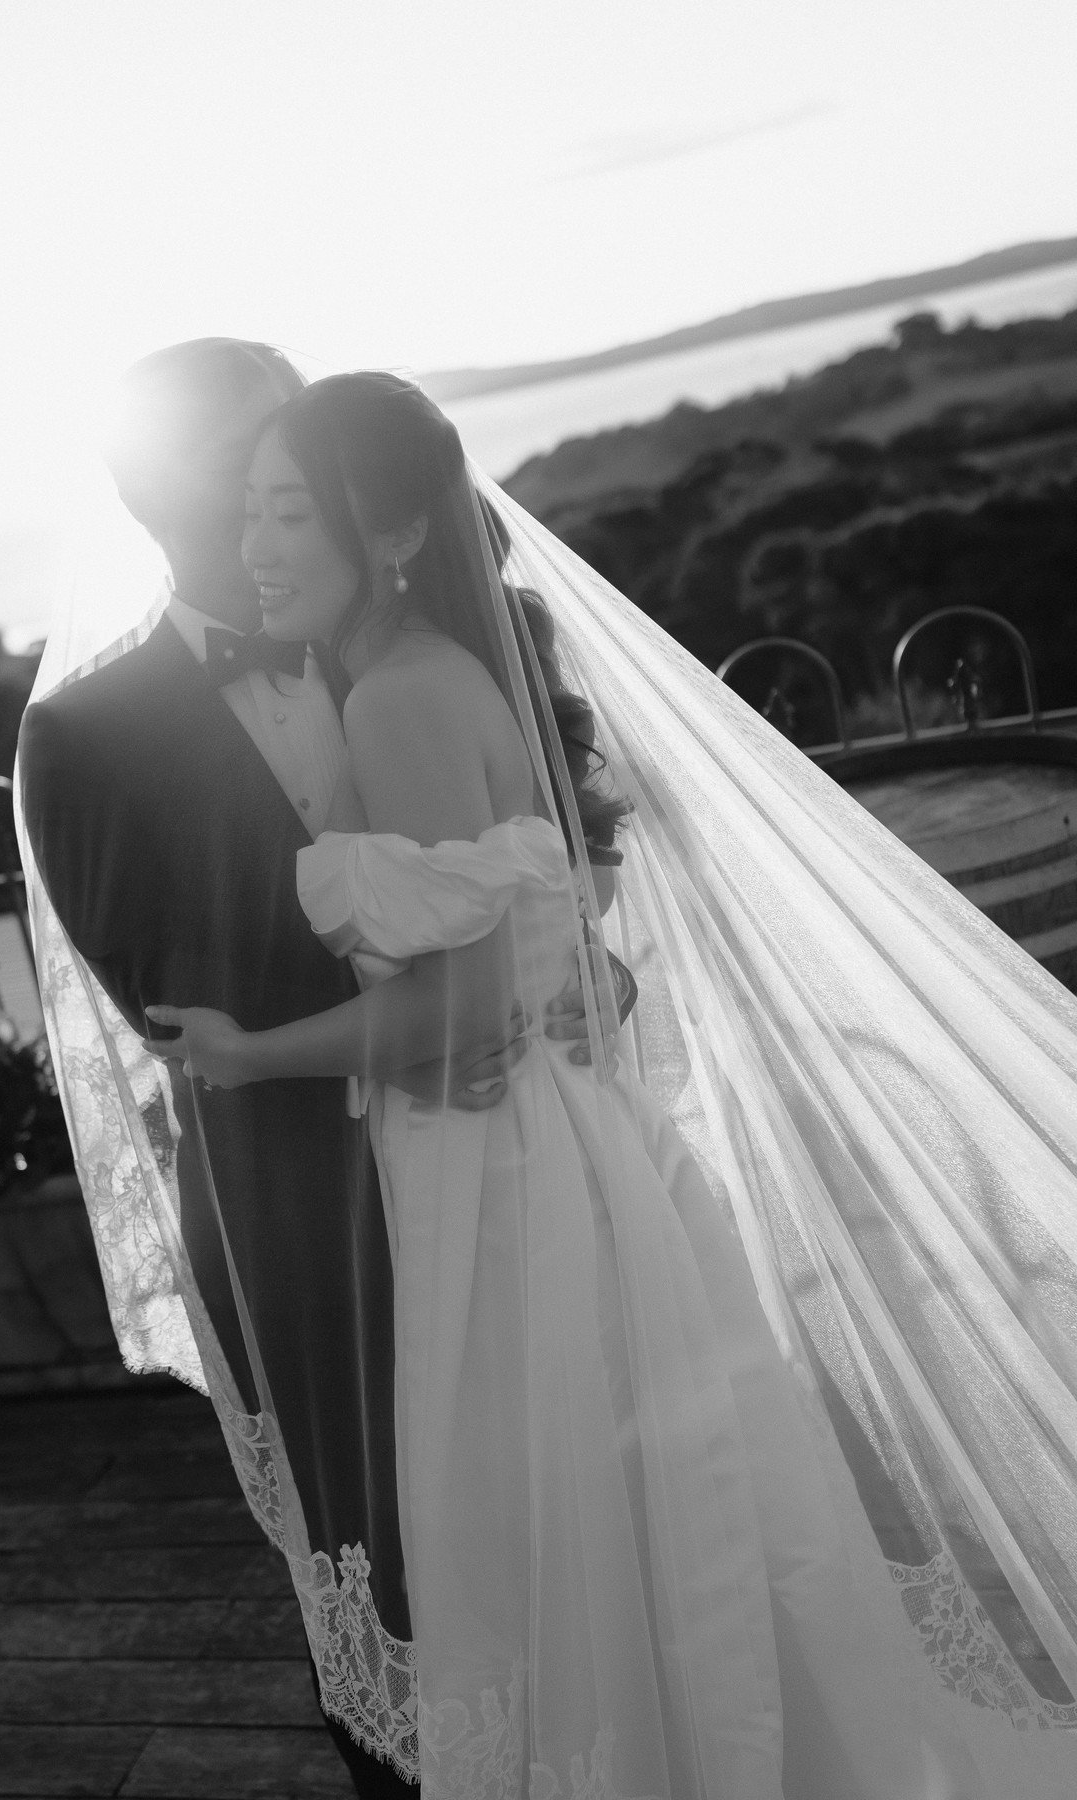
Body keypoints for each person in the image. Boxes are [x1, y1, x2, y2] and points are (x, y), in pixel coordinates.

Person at [140, 372, 1077, 1799]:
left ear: (385, 529)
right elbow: (524, 933)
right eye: (247, 509)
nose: (255, 546)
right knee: (638, 1504)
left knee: (539, 1511)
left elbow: (452, 1007)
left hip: (487, 1161)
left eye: (287, 512)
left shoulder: (397, 697)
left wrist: (247, 1053)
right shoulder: (435, 665)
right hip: (543, 1136)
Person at [16, 341, 612, 1794]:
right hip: (301, 1203)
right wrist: (430, 1025)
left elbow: (537, 870)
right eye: (255, 457)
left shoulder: (427, 656)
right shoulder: (81, 735)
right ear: (163, 492)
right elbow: (174, 1019)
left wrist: (541, 986)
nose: (291, 480)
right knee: (388, 1572)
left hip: (502, 1151)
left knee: (571, 1527)